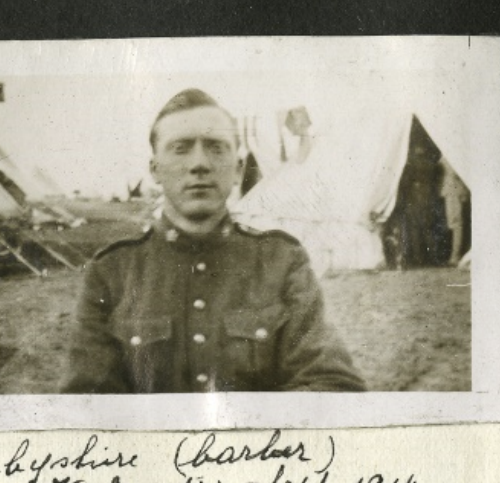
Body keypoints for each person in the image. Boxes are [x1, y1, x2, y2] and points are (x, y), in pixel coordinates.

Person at [62, 90, 365, 393]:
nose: (200, 164)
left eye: (216, 148)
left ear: (238, 169)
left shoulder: (282, 261)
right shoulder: (111, 273)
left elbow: (334, 384)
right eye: (181, 148)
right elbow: (86, 405)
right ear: (155, 170)